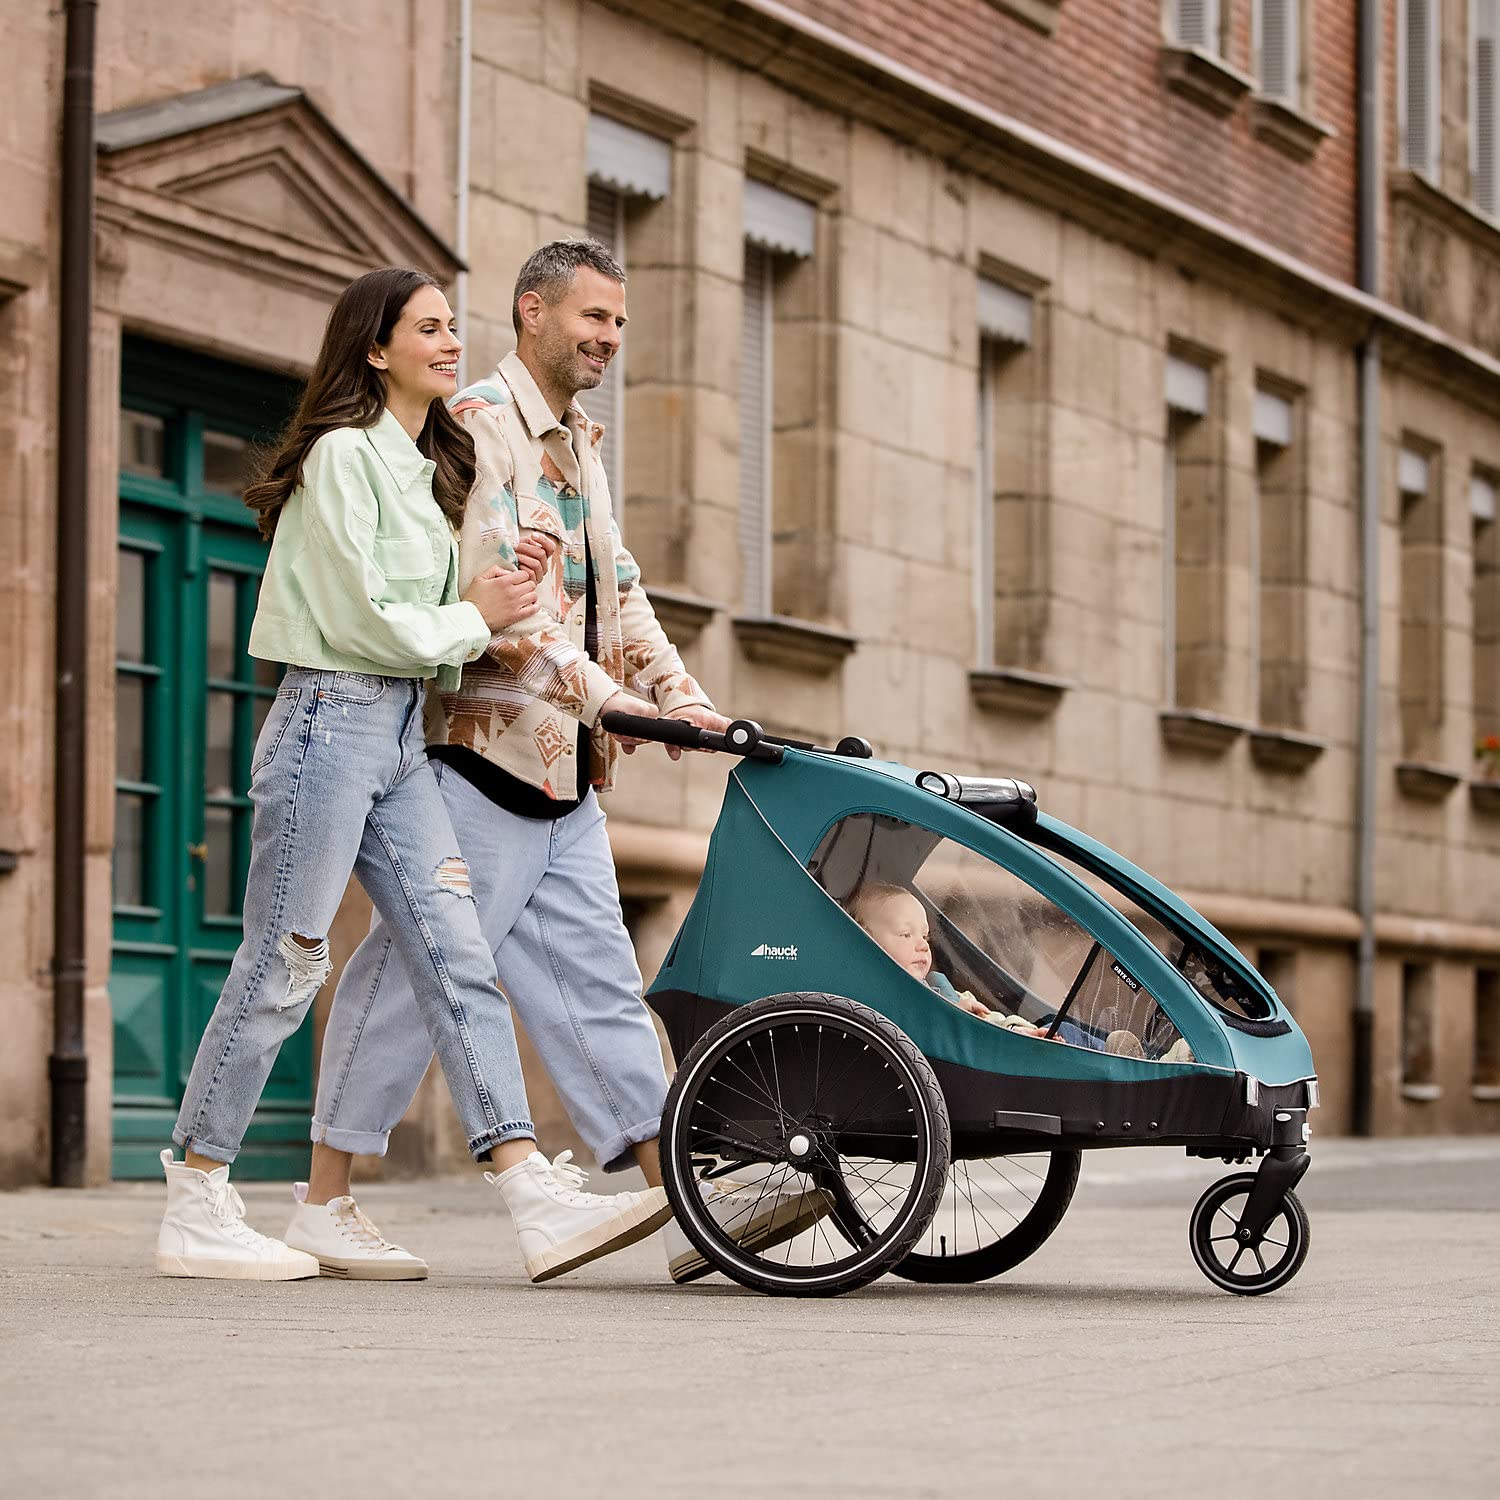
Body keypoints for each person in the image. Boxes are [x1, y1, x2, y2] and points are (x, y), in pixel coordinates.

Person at [308, 240, 826, 1285]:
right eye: (593, 317)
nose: (609, 338)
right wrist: (614, 702)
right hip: (474, 764)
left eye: (620, 322)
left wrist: (683, 699)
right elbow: (507, 609)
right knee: (409, 981)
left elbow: (616, 590)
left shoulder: (580, 442)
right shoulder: (475, 427)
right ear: (531, 312)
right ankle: (324, 1201)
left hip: (566, 777)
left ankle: (682, 1205)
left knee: (602, 988)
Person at [159, 266, 670, 1283]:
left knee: (457, 955)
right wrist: (474, 614)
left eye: (449, 326)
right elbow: (364, 622)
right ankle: (197, 1197)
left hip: (397, 732)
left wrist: (501, 590)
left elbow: (445, 628)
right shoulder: (343, 457)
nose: (449, 342)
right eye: (427, 329)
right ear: (375, 348)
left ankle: (528, 1194)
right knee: (285, 963)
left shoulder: (427, 467)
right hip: (328, 721)